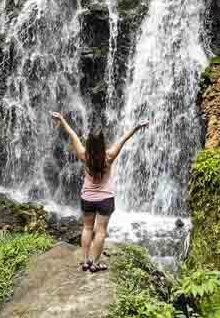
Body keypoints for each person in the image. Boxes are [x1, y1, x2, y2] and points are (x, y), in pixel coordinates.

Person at [51, 111, 149, 273]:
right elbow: (123, 139)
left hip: (87, 197)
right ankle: (94, 263)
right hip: (105, 199)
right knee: (101, 231)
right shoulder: (109, 156)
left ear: (88, 144)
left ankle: (84, 261)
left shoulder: (84, 155)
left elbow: (72, 135)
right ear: (103, 144)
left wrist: (61, 120)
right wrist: (137, 127)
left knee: (87, 228)